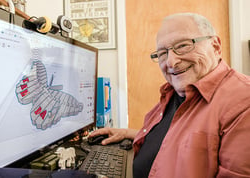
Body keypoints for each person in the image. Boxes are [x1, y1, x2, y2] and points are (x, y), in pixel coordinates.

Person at [89, 12, 250, 178]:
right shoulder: (174, 93)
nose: (171, 62)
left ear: (215, 46)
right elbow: (182, 139)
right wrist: (129, 134)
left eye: (182, 46)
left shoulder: (243, 101)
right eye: (162, 53)